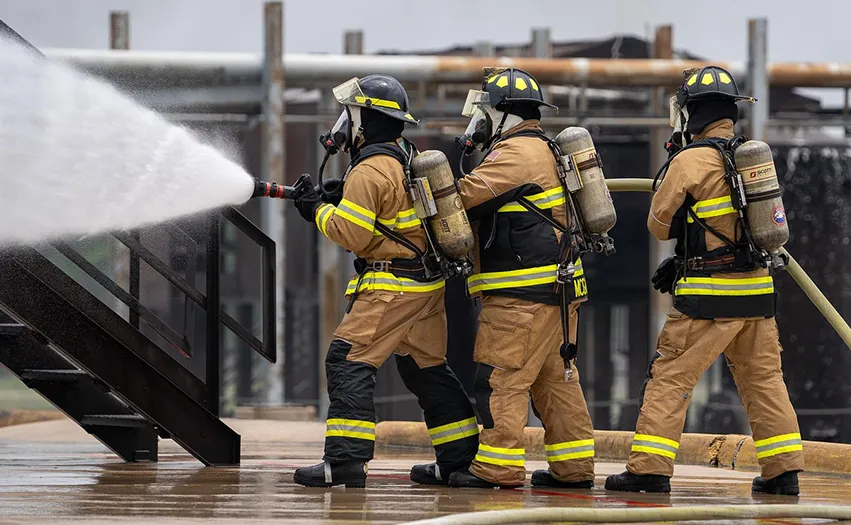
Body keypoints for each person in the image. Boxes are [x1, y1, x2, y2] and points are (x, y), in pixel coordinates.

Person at [605, 66, 804, 495]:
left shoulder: (690, 160)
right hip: (757, 292)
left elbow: (659, 225)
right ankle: (783, 472)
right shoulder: (752, 155)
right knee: (765, 381)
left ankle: (650, 469)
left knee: (671, 378)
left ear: (691, 112)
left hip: (708, 297)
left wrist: (676, 161)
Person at [289, 75, 478, 488]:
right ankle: (460, 459)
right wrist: (340, 197)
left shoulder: (370, 170)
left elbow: (353, 234)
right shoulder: (407, 156)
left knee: (347, 359)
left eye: (351, 115)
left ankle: (344, 461)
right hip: (426, 288)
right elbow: (388, 214)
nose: (345, 124)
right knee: (426, 370)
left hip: (392, 289)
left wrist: (315, 210)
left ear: (365, 120)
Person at [447, 68, 595, 489]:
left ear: (501, 114)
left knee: (501, 379)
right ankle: (574, 468)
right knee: (557, 381)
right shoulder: (543, 148)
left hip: (522, 297)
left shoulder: (515, 154)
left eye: (484, 113)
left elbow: (461, 199)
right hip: (559, 291)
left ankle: (497, 467)